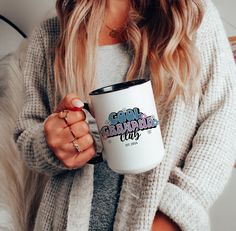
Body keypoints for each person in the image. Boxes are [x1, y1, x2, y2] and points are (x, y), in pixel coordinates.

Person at [13, 0, 236, 230]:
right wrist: (52, 142)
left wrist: (173, 216)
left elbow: (221, 126)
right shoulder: (50, 36)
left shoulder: (192, 17)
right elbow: (27, 135)